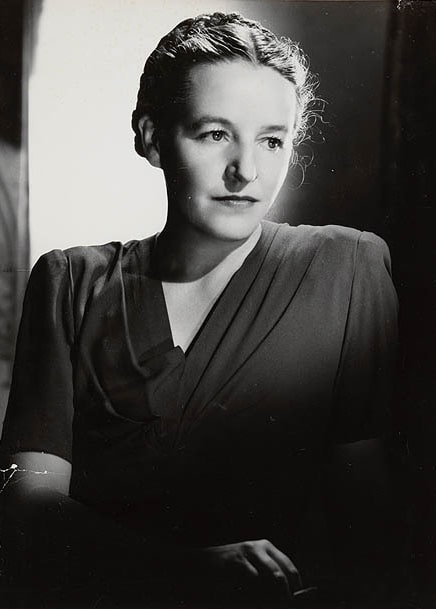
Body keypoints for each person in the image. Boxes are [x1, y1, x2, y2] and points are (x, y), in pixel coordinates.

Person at [0, 11, 398, 609]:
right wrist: (184, 570)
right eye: (215, 134)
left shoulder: (346, 268)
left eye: (272, 140)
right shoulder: (70, 281)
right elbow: (26, 502)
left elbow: (369, 520)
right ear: (151, 137)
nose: (247, 170)